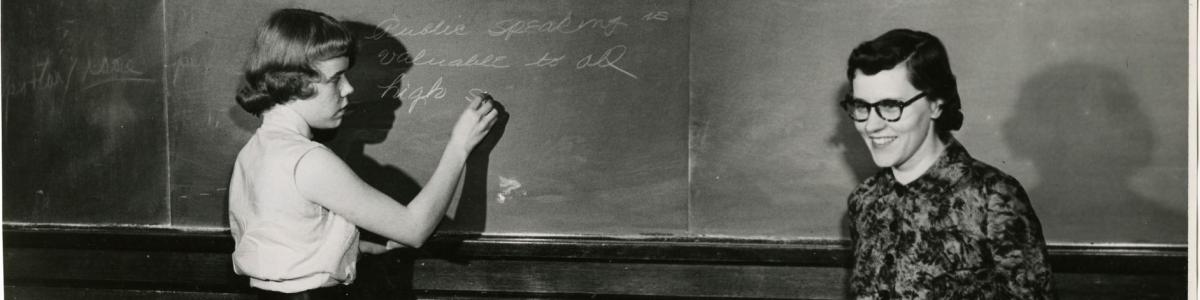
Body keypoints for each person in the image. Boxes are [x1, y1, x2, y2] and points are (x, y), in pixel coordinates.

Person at [228, 8, 500, 299]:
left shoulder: (255, 152)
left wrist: (367, 248)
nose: (349, 88)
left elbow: (291, 242)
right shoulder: (308, 160)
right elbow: (414, 229)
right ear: (295, 82)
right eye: (336, 78)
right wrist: (459, 146)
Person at [841, 29, 1053, 299]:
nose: (871, 125)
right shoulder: (863, 201)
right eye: (861, 106)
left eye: (891, 105)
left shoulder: (993, 198)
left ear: (935, 104)